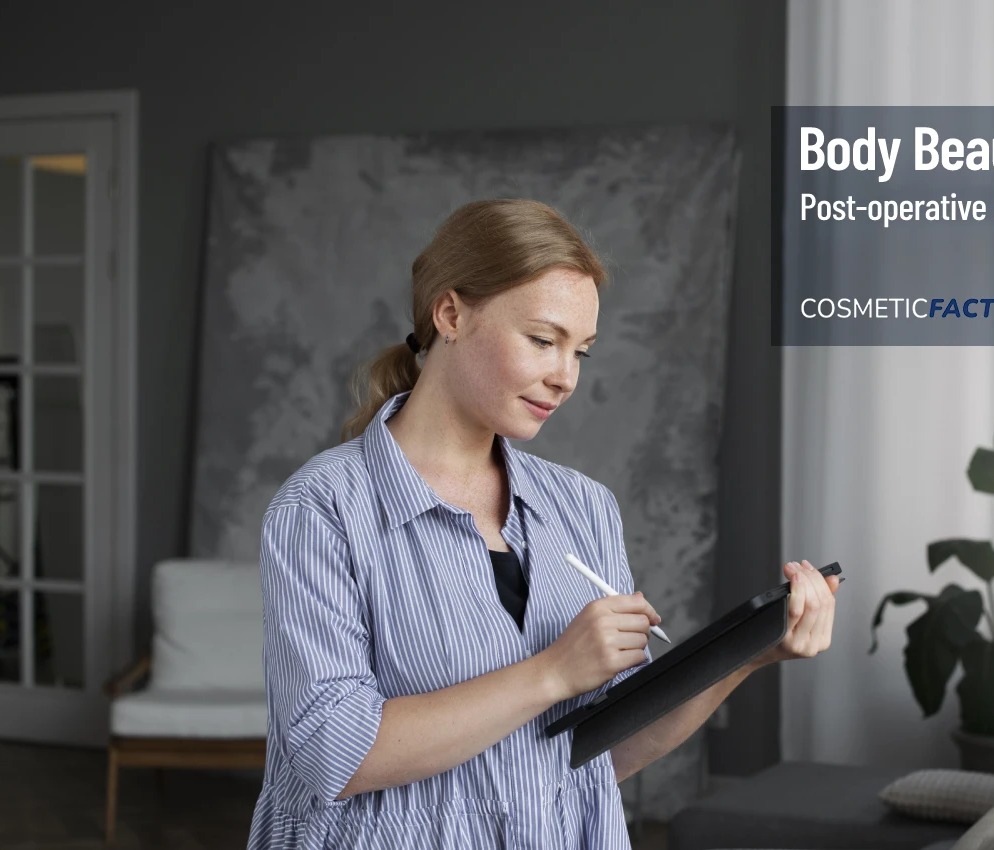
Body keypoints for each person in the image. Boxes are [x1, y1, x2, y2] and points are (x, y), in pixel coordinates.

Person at [246, 199, 840, 849]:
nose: (565, 378)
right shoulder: (322, 510)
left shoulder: (584, 509)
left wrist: (747, 654)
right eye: (543, 340)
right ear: (450, 314)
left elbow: (602, 754)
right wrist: (553, 673)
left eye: (581, 351)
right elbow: (333, 753)